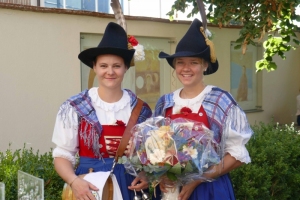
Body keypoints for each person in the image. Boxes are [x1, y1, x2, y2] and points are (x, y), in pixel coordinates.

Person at [154, 18, 253, 200]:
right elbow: (154, 149)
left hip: (210, 190)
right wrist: (158, 175)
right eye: (180, 62)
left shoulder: (220, 100)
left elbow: (237, 155)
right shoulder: (165, 102)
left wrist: (198, 179)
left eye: (194, 62)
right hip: (172, 191)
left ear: (205, 65)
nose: (186, 68)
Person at [52, 22, 152, 200]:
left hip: (129, 187)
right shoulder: (74, 107)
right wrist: (74, 182)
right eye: (104, 66)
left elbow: (152, 156)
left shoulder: (141, 109)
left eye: (117, 66)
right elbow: (62, 156)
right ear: (94, 67)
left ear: (126, 68)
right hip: (88, 187)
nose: (110, 72)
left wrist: (147, 175)